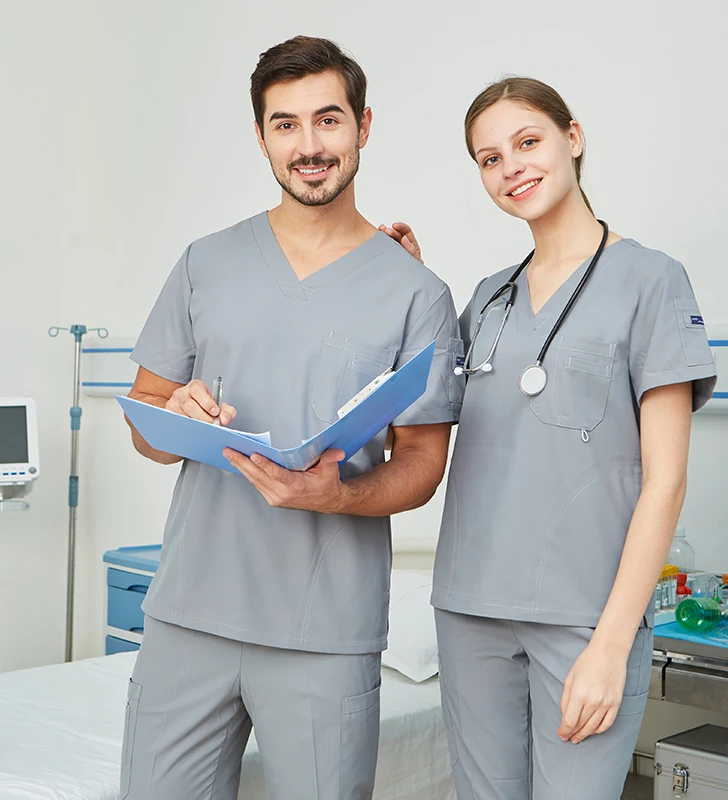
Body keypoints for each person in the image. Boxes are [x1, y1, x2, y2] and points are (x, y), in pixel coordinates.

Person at [120, 35, 463, 800]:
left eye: (328, 121)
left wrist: (339, 496)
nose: (309, 146)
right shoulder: (204, 264)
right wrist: (169, 412)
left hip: (324, 633)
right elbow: (143, 422)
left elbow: (422, 465)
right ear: (262, 137)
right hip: (189, 617)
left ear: (363, 127)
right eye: (286, 125)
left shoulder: (416, 293)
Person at [384, 77, 717, 799]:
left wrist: (611, 643)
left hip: (582, 618)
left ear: (573, 137)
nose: (512, 169)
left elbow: (666, 480)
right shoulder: (489, 296)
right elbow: (426, 406)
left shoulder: (651, 281)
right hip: (471, 609)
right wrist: (405, 289)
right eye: (489, 158)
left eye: (527, 143)